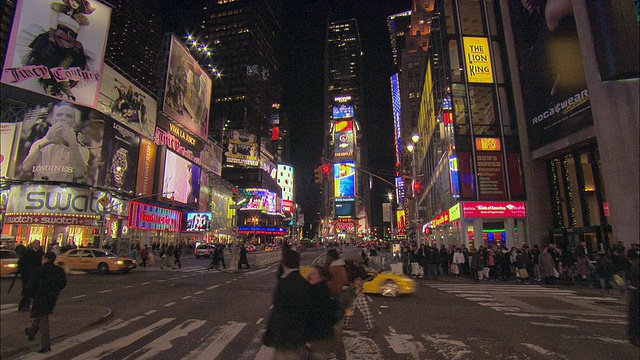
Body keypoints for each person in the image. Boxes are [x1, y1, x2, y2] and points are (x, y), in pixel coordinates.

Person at [23, 0, 95, 100]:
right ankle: (56, 89)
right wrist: (51, 37)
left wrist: (75, 47)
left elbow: (79, 38)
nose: (74, 3)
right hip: (55, 40)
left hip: (70, 45)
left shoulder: (82, 20)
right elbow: (52, 25)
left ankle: (60, 90)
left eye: (77, 2)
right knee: (49, 63)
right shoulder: (58, 9)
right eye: (73, 0)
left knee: (63, 68)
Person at [22, 103, 90, 182]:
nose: (63, 118)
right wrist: (46, 140)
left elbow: (79, 174)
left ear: (73, 123)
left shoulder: (81, 148)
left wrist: (73, 143)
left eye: (68, 116)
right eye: (59, 115)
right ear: (52, 120)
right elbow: (26, 168)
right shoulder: (39, 143)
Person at [263, 250, 311, 359]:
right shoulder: (300, 280)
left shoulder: (287, 282)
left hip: (288, 338)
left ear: (284, 262)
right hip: (293, 338)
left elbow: (281, 312)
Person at [24, 251, 67, 353]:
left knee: (43, 318)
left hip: (40, 296)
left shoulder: (39, 270)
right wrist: (56, 289)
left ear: (46, 259)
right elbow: (63, 283)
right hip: (52, 296)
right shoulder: (59, 271)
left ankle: (45, 344)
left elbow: (32, 284)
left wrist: (28, 295)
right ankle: (31, 331)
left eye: (43, 258)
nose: (42, 260)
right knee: (41, 314)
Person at [307, 265, 342, 359]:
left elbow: (317, 316)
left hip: (319, 337)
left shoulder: (319, 292)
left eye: (314, 274)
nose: (310, 275)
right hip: (321, 335)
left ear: (321, 277)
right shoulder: (319, 289)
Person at [18, 240, 44, 311]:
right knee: (27, 290)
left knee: (32, 290)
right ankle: (23, 305)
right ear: (33, 245)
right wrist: (22, 272)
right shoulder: (27, 253)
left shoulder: (39, 253)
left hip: (35, 274)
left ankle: (26, 304)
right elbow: (21, 262)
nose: (38, 245)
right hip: (27, 274)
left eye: (39, 244)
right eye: (37, 244)